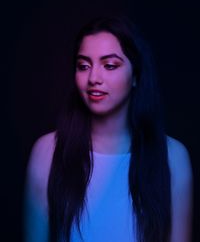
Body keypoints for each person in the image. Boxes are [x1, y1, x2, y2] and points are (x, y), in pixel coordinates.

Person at [24, 16, 193, 242]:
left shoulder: (173, 156)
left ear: (136, 75)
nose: (94, 78)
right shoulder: (47, 152)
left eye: (110, 65)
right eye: (83, 66)